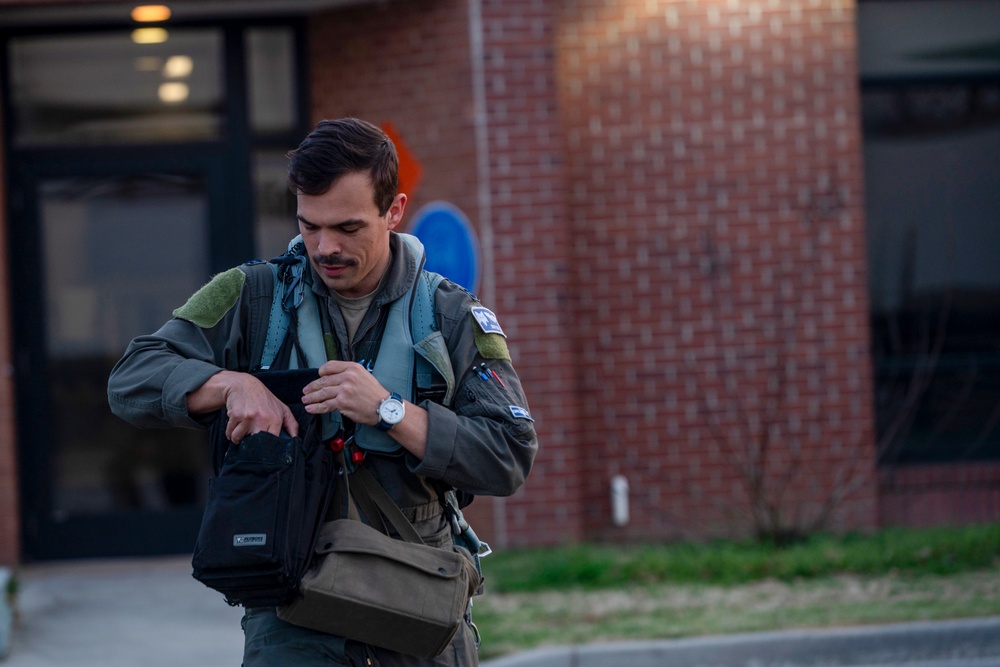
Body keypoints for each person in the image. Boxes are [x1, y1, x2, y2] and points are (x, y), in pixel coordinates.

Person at [107, 117, 538, 666]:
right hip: (291, 616)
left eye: (348, 228)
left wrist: (390, 411)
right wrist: (230, 385)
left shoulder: (453, 316)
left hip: (416, 607)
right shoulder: (251, 294)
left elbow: (509, 455)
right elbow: (133, 377)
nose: (325, 247)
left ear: (395, 211)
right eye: (310, 226)